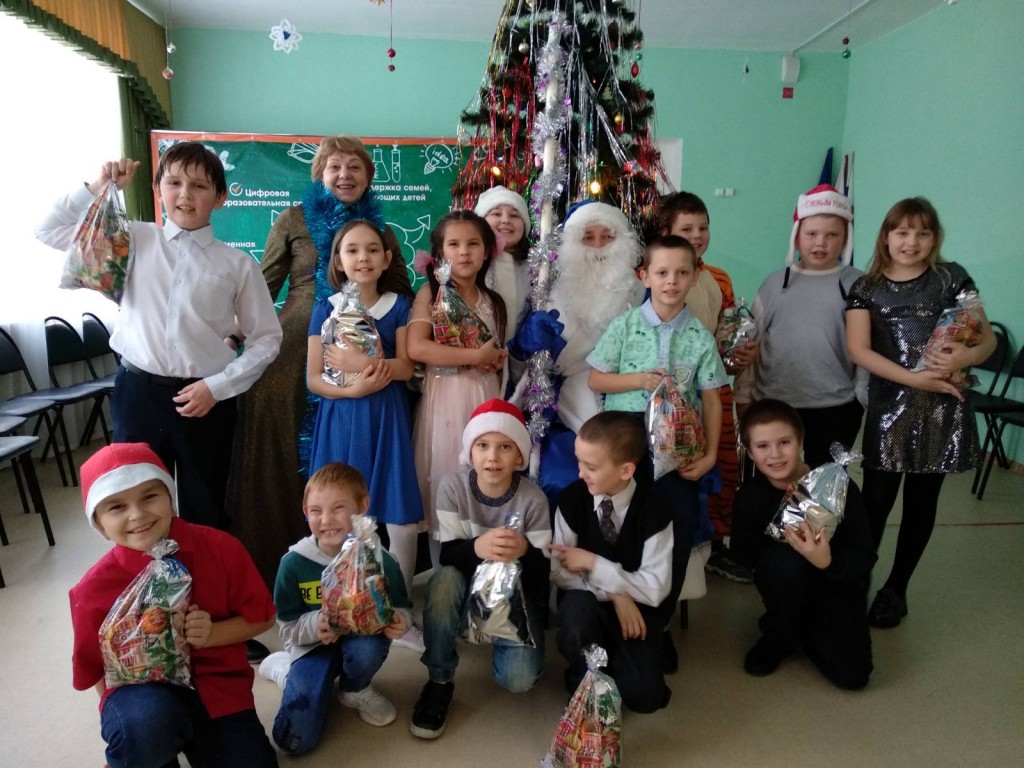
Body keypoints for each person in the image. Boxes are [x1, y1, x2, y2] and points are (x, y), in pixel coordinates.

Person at [36, 144, 283, 531]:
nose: (185, 194)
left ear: (220, 197)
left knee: (208, 508)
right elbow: (48, 230)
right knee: (137, 507)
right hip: (139, 394)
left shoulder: (237, 265)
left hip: (205, 400)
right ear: (157, 189)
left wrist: (218, 387)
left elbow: (267, 338)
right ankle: (149, 574)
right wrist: (99, 185)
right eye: (174, 183)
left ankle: (204, 572)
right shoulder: (129, 239)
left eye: (199, 186)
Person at [228, 135, 396, 589]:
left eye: (354, 167)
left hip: (363, 349)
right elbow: (262, 288)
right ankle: (282, 558)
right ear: (319, 173)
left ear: (368, 176)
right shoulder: (292, 219)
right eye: (334, 166)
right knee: (277, 429)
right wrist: (233, 335)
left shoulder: (381, 230)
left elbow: (400, 290)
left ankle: (365, 564)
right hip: (293, 349)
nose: (344, 175)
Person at [69, 443, 279, 768]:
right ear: (98, 522)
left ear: (170, 496)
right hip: (144, 693)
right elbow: (98, 669)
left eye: (149, 496)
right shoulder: (92, 590)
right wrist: (131, 728)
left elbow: (263, 617)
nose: (137, 515)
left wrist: (212, 634)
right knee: (143, 726)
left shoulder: (222, 549)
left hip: (219, 688)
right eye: (117, 507)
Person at [846, 197, 996, 628]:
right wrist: (914, 380)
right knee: (875, 501)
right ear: (886, 237)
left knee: (921, 502)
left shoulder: (952, 278)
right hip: (890, 409)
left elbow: (987, 340)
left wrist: (966, 357)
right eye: (902, 232)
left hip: (941, 409)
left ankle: (896, 589)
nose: (911, 242)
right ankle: (857, 580)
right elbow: (859, 350)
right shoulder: (866, 288)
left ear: (935, 238)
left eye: (922, 232)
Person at [587, 234, 727, 670]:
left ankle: (657, 624)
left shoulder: (700, 337)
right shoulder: (625, 326)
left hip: (676, 444)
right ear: (644, 276)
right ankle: (614, 617)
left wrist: (709, 455)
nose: (671, 281)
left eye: (682, 272)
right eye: (662, 272)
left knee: (676, 529)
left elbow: (712, 398)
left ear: (695, 276)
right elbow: (597, 379)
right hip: (625, 439)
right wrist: (638, 380)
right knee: (619, 526)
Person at [305, 220, 423, 649]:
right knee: (338, 514)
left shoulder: (399, 306)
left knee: (399, 518)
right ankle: (341, 606)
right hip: (341, 417)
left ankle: (399, 612)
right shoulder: (326, 307)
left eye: (373, 249)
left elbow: (406, 367)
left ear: (387, 258)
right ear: (338, 260)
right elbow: (314, 378)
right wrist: (351, 388)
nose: (363, 258)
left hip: (386, 417)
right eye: (352, 250)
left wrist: (362, 365)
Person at [409, 398, 550, 739]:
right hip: (464, 579)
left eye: (505, 447)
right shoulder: (453, 487)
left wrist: (524, 552)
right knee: (443, 583)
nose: (492, 457)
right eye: (483, 445)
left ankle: (490, 631)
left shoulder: (533, 500)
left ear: (520, 456)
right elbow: (448, 555)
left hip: (514, 592)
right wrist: (477, 547)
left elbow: (542, 576)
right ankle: (439, 678)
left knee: (519, 679)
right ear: (469, 453)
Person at [261, 463, 411, 755]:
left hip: (360, 643)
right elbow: (287, 627)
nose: (326, 520)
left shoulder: (380, 561)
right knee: (295, 741)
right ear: (305, 512)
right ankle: (287, 672)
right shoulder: (293, 564)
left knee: (367, 649)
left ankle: (355, 688)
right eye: (316, 511)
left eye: (338, 508)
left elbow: (401, 607)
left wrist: (399, 620)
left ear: (362, 506)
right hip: (311, 648)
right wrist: (316, 624)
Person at [730, 399, 874, 690]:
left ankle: (809, 628)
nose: (775, 454)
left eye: (785, 442)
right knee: (785, 563)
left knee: (853, 676)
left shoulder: (837, 486)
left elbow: (864, 556)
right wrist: (781, 537)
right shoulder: (750, 496)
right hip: (785, 586)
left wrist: (826, 561)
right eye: (763, 446)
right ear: (750, 451)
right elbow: (743, 556)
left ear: (801, 441)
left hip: (834, 585)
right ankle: (780, 634)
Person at [507, 200, 645, 498]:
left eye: (607, 237)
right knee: (562, 478)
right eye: (587, 237)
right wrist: (525, 344)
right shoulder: (547, 292)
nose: (598, 247)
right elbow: (521, 372)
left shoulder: (642, 291)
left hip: (629, 399)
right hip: (564, 408)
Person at [659, 191, 757, 583]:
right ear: (666, 232)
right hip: (673, 395)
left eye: (703, 227)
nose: (697, 235)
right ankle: (675, 542)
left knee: (722, 467)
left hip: (715, 390)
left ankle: (715, 546)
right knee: (678, 469)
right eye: (687, 229)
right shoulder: (652, 275)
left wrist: (738, 354)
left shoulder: (719, 278)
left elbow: (725, 336)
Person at [733, 184, 864, 469]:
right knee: (773, 480)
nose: (820, 243)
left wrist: (861, 398)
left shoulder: (858, 284)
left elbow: (868, 347)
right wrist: (743, 396)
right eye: (811, 234)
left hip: (835, 406)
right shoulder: (773, 285)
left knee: (824, 486)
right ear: (796, 235)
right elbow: (751, 344)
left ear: (845, 238)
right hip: (774, 404)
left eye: (832, 235)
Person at [550, 412, 674, 713]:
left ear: (626, 470)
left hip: (635, 614)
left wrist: (594, 563)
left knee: (646, 697)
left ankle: (616, 665)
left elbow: (655, 588)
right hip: (587, 605)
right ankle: (583, 679)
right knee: (578, 618)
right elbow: (560, 573)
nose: (580, 473)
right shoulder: (571, 500)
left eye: (591, 467)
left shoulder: (655, 511)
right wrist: (615, 593)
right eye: (579, 462)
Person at [409, 211, 509, 566]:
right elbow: (417, 348)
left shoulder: (493, 301)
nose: (464, 252)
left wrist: (494, 359)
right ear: (440, 253)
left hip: (484, 400)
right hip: (445, 400)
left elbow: (493, 349)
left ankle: (484, 569)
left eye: (473, 244)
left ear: (487, 251)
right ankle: (444, 571)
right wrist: (474, 356)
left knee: (484, 473)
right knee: (446, 473)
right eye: (454, 244)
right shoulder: (431, 293)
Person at [474, 185, 532, 339]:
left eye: (514, 215)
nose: (506, 220)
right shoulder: (472, 265)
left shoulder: (534, 269)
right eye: (496, 214)